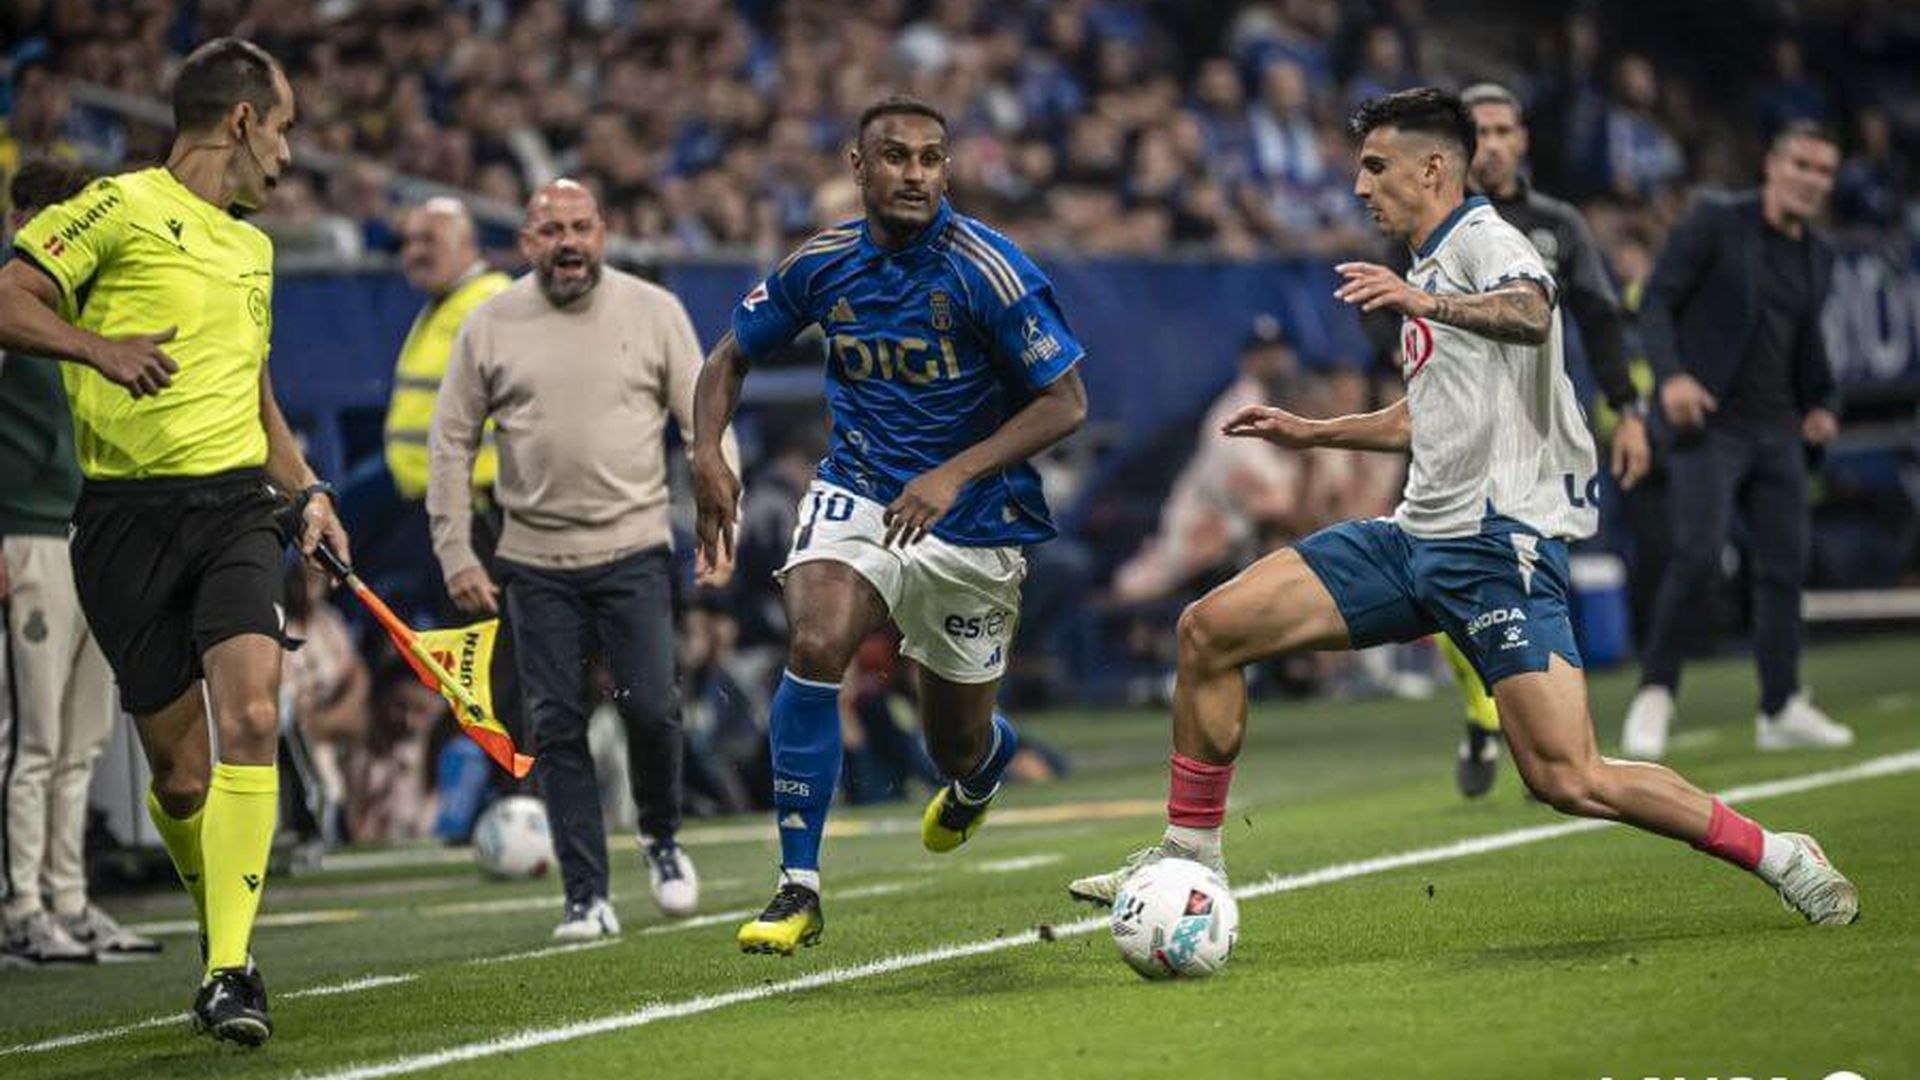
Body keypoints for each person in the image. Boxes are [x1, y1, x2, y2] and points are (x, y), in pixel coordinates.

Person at [1065, 89, 1858, 933]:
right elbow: (1425, 417)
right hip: (1415, 539)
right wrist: (1315, 432)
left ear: (1433, 168)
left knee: (1568, 777)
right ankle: (1190, 852)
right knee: (1209, 630)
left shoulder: (1486, 241)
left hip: (1496, 546)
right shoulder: (1428, 262)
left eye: (1376, 166)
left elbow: (1531, 311)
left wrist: (1426, 305)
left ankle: (1780, 854)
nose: (1360, 185)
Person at [0, 38, 350, 1046]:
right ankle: (221, 931)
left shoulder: (254, 249)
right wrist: (96, 349)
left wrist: (309, 489)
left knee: (254, 711)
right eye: (282, 128)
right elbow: (10, 297)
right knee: (184, 780)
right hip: (122, 520)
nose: (288, 154)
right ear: (241, 121)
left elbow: (256, 399)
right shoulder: (113, 208)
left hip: (236, 510)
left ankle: (230, 970)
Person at [693, 95, 1089, 956]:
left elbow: (1066, 403)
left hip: (974, 517)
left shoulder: (991, 270)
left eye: (930, 158)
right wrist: (707, 455)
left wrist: (953, 473)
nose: (915, 173)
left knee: (955, 744)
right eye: (896, 156)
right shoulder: (822, 262)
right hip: (861, 489)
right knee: (816, 640)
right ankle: (798, 885)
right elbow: (727, 358)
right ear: (858, 166)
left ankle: (983, 768)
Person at [429, 179, 737, 938]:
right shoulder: (488, 324)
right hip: (533, 558)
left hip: (633, 547)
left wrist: (719, 524)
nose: (567, 243)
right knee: (554, 724)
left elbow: (705, 423)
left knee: (654, 708)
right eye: (550, 230)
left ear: (603, 232)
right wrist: (455, 549)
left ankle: (660, 837)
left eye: (580, 227)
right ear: (525, 243)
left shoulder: (654, 311)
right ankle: (585, 896)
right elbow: (450, 441)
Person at [1438, 82, 1652, 798]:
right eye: (1480, 132)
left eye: (1504, 130)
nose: (1493, 145)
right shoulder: (1431, 223)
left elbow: (1600, 317)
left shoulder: (1558, 225)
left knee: (1537, 580)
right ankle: (1485, 710)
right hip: (1454, 431)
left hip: (1538, 440)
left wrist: (1627, 409)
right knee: (1435, 572)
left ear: (1523, 139)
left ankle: (1555, 745)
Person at [1621, 121, 1850, 759]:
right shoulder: (1716, 221)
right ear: (1772, 164)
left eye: (1824, 171)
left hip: (1779, 428)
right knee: (1697, 558)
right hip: (1710, 423)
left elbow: (1805, 342)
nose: (1811, 180)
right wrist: (1671, 378)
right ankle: (1655, 692)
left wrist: (1822, 405)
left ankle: (1780, 705)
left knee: (1784, 569)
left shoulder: (1820, 253)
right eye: (1801, 164)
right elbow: (1655, 303)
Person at [1, 159, 160, 967]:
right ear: (21, 220)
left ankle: (67, 898)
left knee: (80, 737)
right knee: (30, 737)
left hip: (84, 533)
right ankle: (19, 906)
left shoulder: (86, 311)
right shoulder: (12, 304)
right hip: (24, 531)